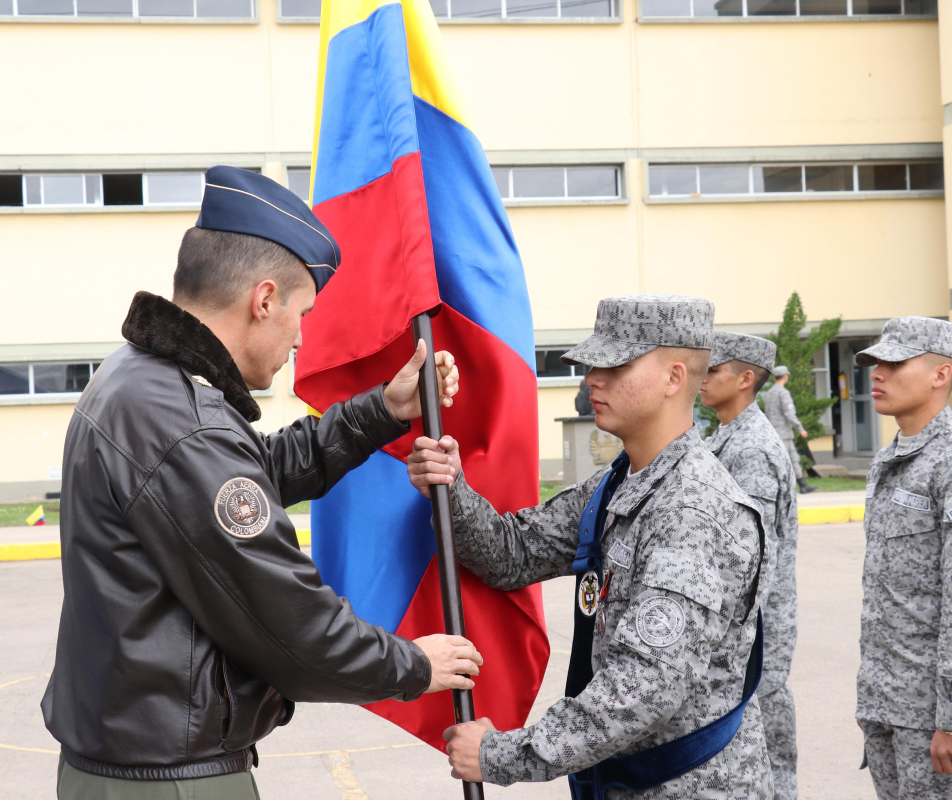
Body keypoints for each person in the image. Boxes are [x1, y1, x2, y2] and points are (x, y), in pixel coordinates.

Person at [42, 166, 483, 799]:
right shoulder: (183, 422)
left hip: (135, 760)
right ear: (265, 299)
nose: (301, 337)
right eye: (301, 314)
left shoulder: (140, 380)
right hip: (170, 781)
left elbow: (249, 475)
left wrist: (380, 410)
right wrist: (414, 664)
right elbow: (290, 621)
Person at [408, 295, 774, 798]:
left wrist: (504, 754)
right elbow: (512, 552)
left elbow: (645, 688)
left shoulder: (695, 510)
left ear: (673, 378)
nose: (591, 379)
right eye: (593, 364)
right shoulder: (617, 485)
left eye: (615, 365)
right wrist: (451, 486)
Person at [854, 317, 952, 800]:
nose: (877, 373)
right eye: (875, 363)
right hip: (890, 703)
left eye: (894, 363)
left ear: (940, 375)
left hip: (939, 717)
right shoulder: (895, 457)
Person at [700, 331, 800, 800]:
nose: (701, 378)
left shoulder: (752, 449)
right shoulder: (723, 437)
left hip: (754, 634)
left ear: (744, 379)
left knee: (762, 764)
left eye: (713, 370)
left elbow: (750, 558)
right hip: (737, 632)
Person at [764, 366, 817, 495]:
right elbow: (790, 414)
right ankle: (799, 486)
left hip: (772, 432)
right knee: (790, 460)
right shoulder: (783, 393)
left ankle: (797, 486)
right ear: (786, 376)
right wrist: (800, 428)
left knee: (784, 460)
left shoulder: (769, 393)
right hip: (784, 433)